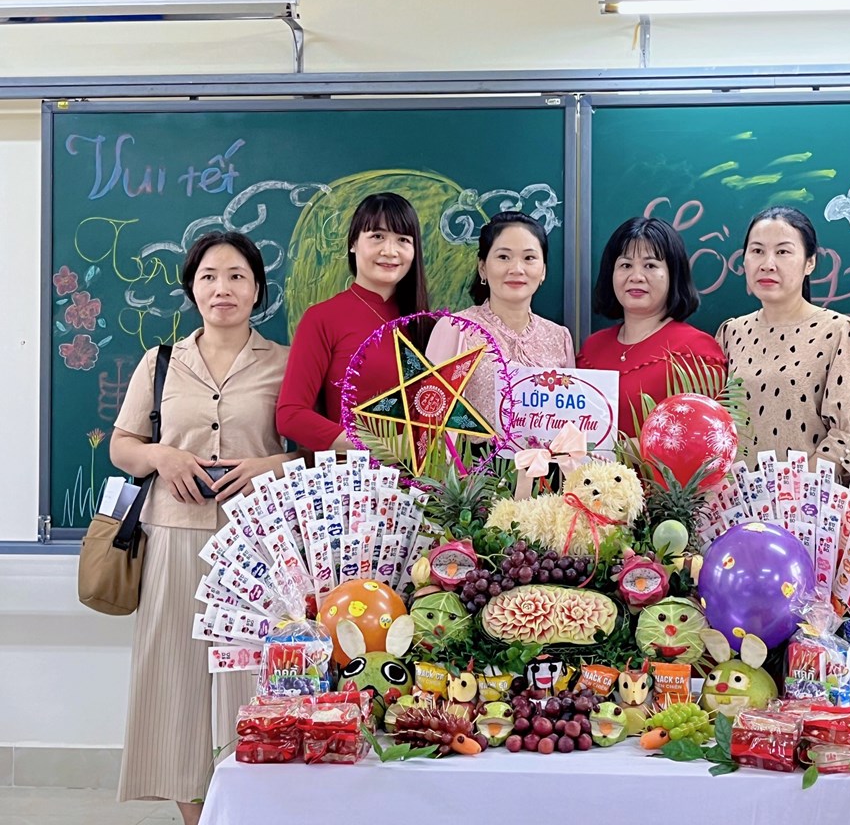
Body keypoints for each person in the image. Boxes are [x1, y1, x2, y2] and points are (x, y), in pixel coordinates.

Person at [110, 232, 296, 825]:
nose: (223, 288)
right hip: (174, 535)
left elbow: (318, 450)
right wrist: (161, 456)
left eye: (238, 276)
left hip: (259, 542)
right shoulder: (161, 361)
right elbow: (122, 445)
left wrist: (270, 465)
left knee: (256, 680)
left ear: (258, 288)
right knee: (175, 681)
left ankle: (254, 811)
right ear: (192, 287)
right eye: (209, 276)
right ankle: (197, 818)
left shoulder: (285, 362)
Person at [715, 206, 850, 476]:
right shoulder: (731, 333)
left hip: (807, 496)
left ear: (810, 262)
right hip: (735, 496)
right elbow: (715, 426)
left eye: (783, 252)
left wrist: (790, 490)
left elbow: (846, 436)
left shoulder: (839, 331)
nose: (768, 264)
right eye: (757, 251)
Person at [276, 192, 430, 451]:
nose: (390, 251)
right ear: (353, 244)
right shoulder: (322, 319)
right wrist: (380, 447)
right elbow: (291, 416)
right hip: (356, 474)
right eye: (377, 236)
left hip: (428, 476)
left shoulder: (429, 324)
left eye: (403, 240)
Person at [426, 211, 574, 433]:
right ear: (482, 267)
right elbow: (429, 422)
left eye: (529, 258)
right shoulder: (456, 328)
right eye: (504, 257)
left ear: (543, 270)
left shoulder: (559, 337)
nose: (517, 269)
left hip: (550, 456)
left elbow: (572, 423)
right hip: (475, 456)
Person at [577, 217, 725, 437]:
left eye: (650, 265)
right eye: (625, 265)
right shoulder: (592, 349)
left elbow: (708, 439)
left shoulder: (696, 351)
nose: (636, 277)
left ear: (673, 274)